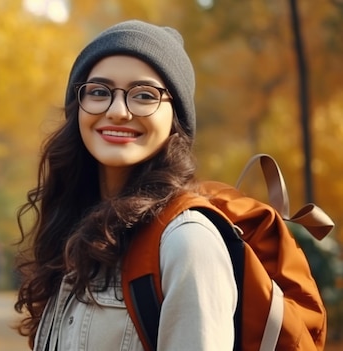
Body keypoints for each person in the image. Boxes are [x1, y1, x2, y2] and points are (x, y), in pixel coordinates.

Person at [14, 19, 238, 350]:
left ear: (176, 117)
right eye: (99, 92)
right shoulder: (73, 233)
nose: (118, 111)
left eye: (144, 95)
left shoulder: (187, 242)